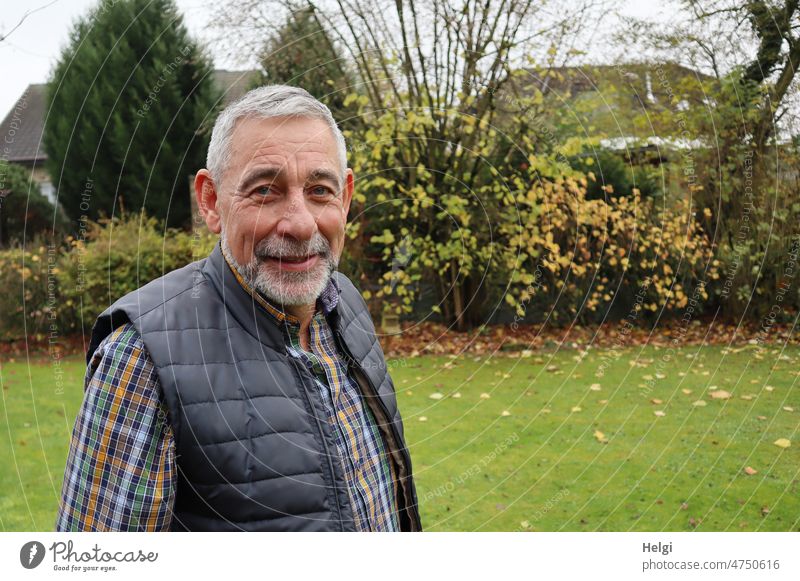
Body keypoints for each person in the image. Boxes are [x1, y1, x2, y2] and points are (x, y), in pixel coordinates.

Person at [56, 85, 422, 532]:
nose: (301, 223)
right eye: (265, 190)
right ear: (211, 200)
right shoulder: (142, 356)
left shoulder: (344, 303)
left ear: (344, 198)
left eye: (320, 190)